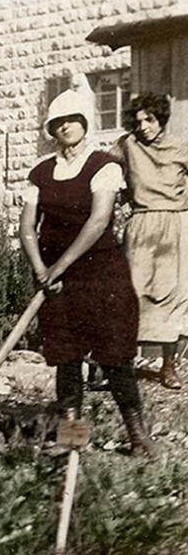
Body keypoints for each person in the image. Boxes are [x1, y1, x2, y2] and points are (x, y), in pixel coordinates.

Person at [19, 89, 156, 458]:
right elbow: (27, 227)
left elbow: (98, 221)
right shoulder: (40, 172)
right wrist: (41, 269)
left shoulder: (104, 166)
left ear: (85, 123)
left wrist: (59, 266)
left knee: (115, 356)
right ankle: (72, 438)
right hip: (55, 282)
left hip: (101, 275)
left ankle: (137, 437)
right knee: (66, 359)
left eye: (73, 120)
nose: (66, 126)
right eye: (58, 122)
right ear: (51, 129)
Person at [115, 92, 188, 390]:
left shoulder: (180, 148)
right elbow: (105, 170)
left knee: (174, 295)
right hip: (142, 225)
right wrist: (120, 196)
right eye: (138, 121)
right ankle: (122, 365)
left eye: (150, 119)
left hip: (176, 225)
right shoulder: (127, 145)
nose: (143, 126)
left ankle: (168, 367)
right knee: (132, 293)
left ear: (162, 119)